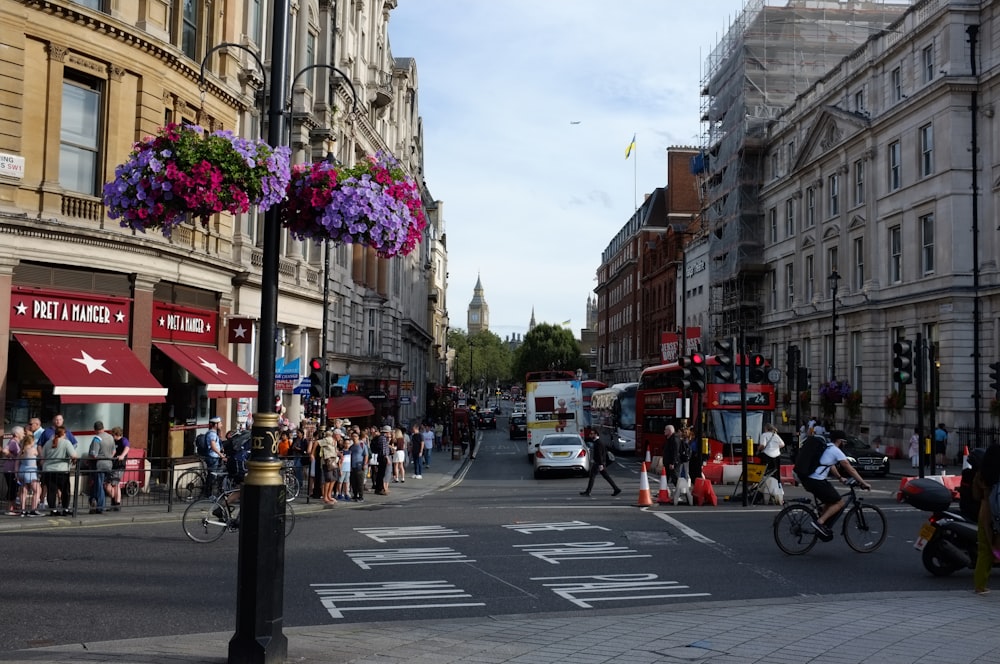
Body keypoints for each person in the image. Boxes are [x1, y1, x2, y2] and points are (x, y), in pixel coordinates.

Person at [800, 430, 871, 541]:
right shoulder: (835, 450)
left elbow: (830, 465)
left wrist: (839, 477)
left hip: (810, 480)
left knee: (831, 501)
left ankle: (821, 525)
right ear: (839, 441)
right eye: (844, 442)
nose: (844, 444)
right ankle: (820, 523)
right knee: (839, 502)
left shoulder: (827, 447)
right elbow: (850, 469)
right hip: (817, 481)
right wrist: (863, 483)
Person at [973, 443, 1000, 594]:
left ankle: (980, 584)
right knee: (995, 544)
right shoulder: (998, 475)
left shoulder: (981, 474)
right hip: (995, 509)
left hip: (984, 509)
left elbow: (975, 495)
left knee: (985, 548)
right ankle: (980, 585)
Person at [40, 425, 78, 517]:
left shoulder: (48, 443)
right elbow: (74, 455)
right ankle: (65, 508)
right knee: (65, 491)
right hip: (62, 470)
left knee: (51, 491)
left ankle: (53, 510)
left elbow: (42, 456)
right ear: (64, 433)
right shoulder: (66, 443)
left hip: (48, 471)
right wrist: (73, 461)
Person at [580, 431, 621, 497]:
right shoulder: (598, 442)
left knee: (592, 477)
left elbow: (599, 454)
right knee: (606, 477)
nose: (590, 435)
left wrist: (601, 464)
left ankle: (588, 492)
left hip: (598, 463)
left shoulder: (598, 443)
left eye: (591, 434)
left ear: (596, 434)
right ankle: (616, 489)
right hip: (600, 463)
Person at [87, 421, 115, 514]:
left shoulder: (97, 438)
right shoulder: (110, 437)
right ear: (103, 427)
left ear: (95, 429)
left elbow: (94, 454)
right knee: (101, 485)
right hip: (109, 464)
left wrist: (89, 457)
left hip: (99, 465)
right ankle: (95, 503)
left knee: (99, 486)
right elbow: (114, 451)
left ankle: (100, 507)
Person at [15, 432, 41, 517]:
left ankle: (23, 510)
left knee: (23, 492)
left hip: (22, 471)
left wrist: (16, 474)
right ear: (31, 442)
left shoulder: (21, 451)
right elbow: (39, 455)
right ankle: (33, 510)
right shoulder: (33, 450)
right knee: (37, 490)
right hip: (31, 472)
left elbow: (16, 463)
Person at [108, 426, 130, 511]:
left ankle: (117, 503)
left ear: (117, 434)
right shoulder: (114, 441)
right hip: (113, 465)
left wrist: (122, 456)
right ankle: (114, 503)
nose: (112, 436)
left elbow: (127, 447)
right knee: (113, 484)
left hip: (120, 465)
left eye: (113, 434)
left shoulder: (123, 440)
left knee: (115, 484)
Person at [4, 426, 22, 515]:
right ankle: (9, 509)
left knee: (14, 488)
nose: (23, 434)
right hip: (10, 469)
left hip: (13, 469)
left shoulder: (17, 442)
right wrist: (14, 457)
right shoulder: (13, 441)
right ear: (17, 434)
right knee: (12, 488)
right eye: (22, 432)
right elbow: (5, 451)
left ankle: (12, 508)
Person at [204, 417, 224, 496]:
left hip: (214, 457)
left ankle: (208, 493)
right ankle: (208, 494)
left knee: (212, 475)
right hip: (212, 457)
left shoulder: (214, 433)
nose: (221, 425)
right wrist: (221, 455)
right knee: (212, 476)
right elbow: (213, 446)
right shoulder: (212, 434)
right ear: (215, 424)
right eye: (220, 423)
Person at [348, 431, 368, 502]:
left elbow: (366, 455)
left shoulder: (362, 445)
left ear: (358, 437)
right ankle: (355, 495)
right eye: (353, 436)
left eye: (355, 436)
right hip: (353, 466)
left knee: (360, 482)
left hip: (360, 465)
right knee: (354, 482)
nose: (354, 438)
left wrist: (365, 464)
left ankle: (361, 496)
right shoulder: (351, 447)